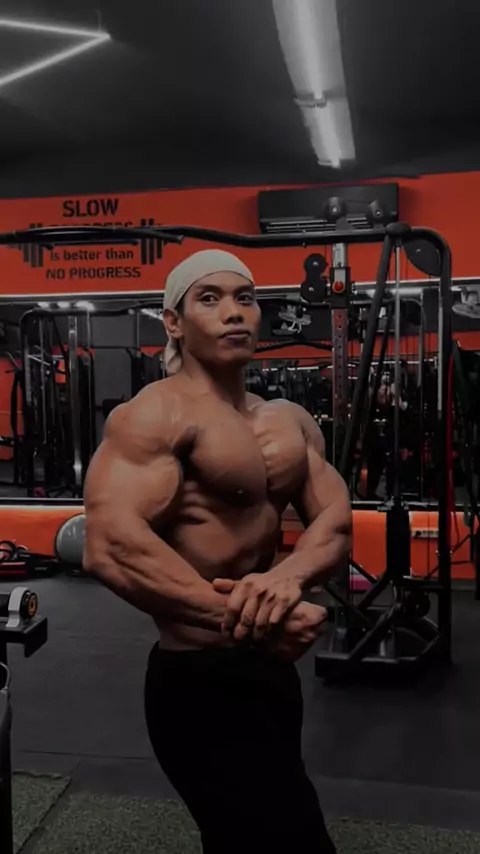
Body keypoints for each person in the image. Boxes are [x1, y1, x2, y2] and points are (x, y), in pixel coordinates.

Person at [83, 249, 352, 854]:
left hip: (271, 673)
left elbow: (334, 523)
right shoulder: (154, 415)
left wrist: (287, 579)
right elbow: (110, 546)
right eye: (210, 299)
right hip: (198, 680)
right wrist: (256, 618)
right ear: (174, 323)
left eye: (244, 298)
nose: (234, 312)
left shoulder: (289, 420)